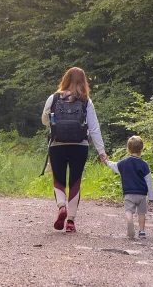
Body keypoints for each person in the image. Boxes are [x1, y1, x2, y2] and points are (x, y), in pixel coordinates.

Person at [42, 67, 107, 233]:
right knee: (75, 181)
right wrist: (101, 151)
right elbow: (94, 128)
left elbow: (44, 119)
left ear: (65, 79)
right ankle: (70, 221)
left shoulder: (54, 97)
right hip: (80, 145)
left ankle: (61, 206)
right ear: (84, 81)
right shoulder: (86, 101)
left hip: (57, 145)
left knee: (59, 179)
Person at [104, 135, 153, 239]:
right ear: (142, 149)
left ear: (128, 149)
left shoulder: (123, 163)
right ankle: (141, 231)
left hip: (128, 193)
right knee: (141, 213)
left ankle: (130, 221)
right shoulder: (144, 165)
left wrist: (106, 162)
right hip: (141, 194)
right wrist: (151, 198)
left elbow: (114, 166)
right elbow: (149, 181)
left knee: (128, 211)